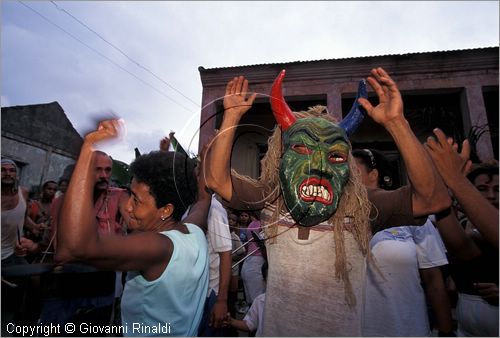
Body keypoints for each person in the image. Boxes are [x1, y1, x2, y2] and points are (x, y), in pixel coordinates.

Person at [204, 68, 451, 335]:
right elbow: (217, 180)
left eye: (334, 157)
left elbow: (433, 200)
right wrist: (231, 116)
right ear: (282, 156)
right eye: (302, 150)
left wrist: (396, 123)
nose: (320, 166)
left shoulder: (361, 205)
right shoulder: (273, 197)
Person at [55, 119, 211, 336]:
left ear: (165, 210)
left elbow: (75, 247)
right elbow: (204, 197)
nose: (126, 207)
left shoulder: (157, 247)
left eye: (136, 200)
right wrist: (207, 159)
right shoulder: (194, 231)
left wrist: (87, 149)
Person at [353, 148, 453, 337]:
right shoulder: (333, 216)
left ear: (373, 174)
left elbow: (433, 280)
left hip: (407, 328)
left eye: (353, 170)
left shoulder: (410, 215)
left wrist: (446, 331)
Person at [426, 132, 498, 337]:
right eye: (482, 189)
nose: (491, 196)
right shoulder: (473, 234)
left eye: (498, 189)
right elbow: (459, 246)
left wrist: (455, 178)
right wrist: (444, 187)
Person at [223, 262, 268, 336]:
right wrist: (231, 321)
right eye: (270, 280)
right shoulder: (260, 301)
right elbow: (249, 324)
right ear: (264, 282)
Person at [240, 211, 265, 305]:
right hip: (257, 263)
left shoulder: (251, 223)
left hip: (248, 261)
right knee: (257, 302)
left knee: (251, 301)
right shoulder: (261, 224)